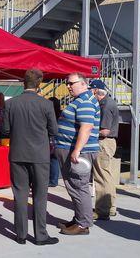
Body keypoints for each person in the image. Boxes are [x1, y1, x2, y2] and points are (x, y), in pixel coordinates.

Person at [3, 69, 59, 246]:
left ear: (23, 83)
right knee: (40, 196)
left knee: (20, 194)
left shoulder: (11, 103)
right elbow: (54, 131)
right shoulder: (46, 104)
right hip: (40, 155)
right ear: (39, 84)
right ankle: (40, 235)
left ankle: (21, 235)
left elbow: (5, 130)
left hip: (18, 153)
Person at [55, 73, 100, 236]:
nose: (68, 86)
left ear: (82, 84)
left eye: (70, 83)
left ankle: (83, 224)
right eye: (67, 83)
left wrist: (77, 150)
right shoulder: (81, 100)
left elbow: (86, 127)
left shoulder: (85, 101)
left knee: (78, 186)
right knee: (74, 186)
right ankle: (80, 218)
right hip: (73, 150)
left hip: (79, 152)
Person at [89, 80, 120, 220]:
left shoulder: (105, 105)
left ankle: (102, 210)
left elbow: (105, 131)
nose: (89, 92)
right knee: (107, 175)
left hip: (104, 142)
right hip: (108, 143)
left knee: (101, 176)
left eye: (91, 89)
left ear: (96, 90)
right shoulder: (107, 102)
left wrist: (88, 130)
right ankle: (110, 207)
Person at [48, 96, 62, 187]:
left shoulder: (51, 114)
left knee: (53, 159)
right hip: (58, 138)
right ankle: (53, 179)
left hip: (52, 137)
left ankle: (53, 180)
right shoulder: (61, 113)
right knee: (54, 159)